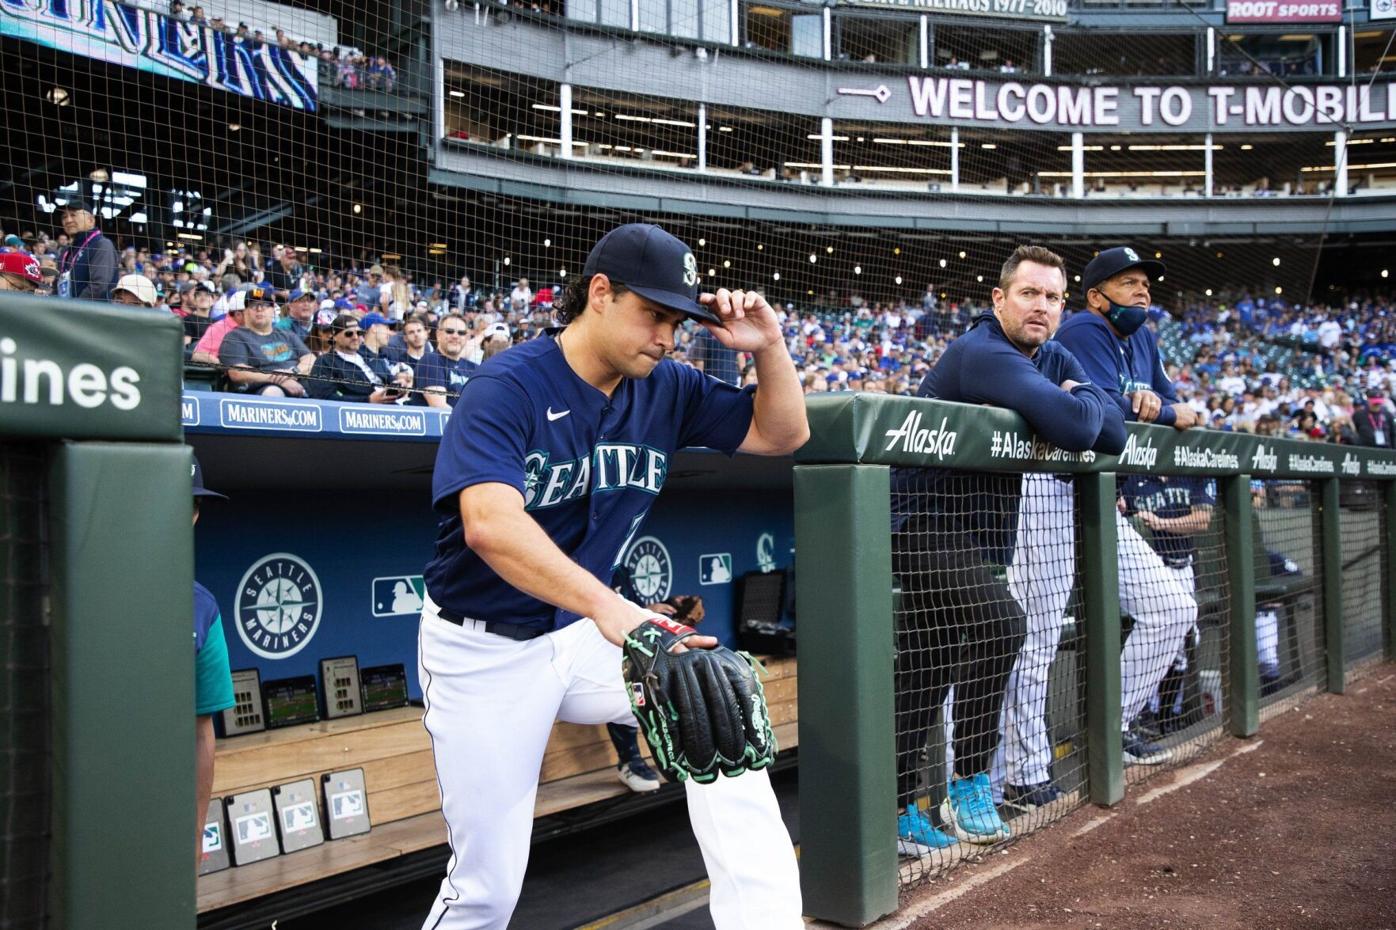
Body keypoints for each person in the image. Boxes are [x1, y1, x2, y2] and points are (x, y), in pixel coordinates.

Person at [416, 222, 807, 929]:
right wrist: (614, 610)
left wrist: (770, 348)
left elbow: (781, 434)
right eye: (653, 314)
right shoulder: (509, 384)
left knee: (718, 707)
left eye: (678, 320)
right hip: (484, 652)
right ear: (600, 293)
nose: (667, 335)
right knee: (486, 887)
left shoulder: (668, 387)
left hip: (580, 636)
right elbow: (490, 524)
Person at [890, 244, 1126, 854]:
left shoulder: (1051, 353)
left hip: (968, 531)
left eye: (1052, 297)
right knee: (1002, 625)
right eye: (1028, 293)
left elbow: (1116, 430)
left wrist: (1084, 394)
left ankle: (892, 811)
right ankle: (970, 782)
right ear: (999, 299)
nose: (1041, 306)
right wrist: (1082, 396)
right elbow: (1080, 428)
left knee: (927, 665)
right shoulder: (984, 351)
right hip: (915, 521)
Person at [1046, 246, 1200, 766]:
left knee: (1172, 608)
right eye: (1129, 282)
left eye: (1146, 284)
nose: (1143, 291)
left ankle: (1109, 728)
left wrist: (1163, 409)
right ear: (1095, 296)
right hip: (1051, 496)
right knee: (1033, 637)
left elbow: (1182, 409)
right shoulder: (1084, 330)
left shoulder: (1143, 338)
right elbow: (1106, 413)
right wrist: (1157, 412)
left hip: (1100, 501)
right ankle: (1002, 775)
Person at [1119, 474, 1215, 734]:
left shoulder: (1188, 469)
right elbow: (1122, 511)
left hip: (1183, 567)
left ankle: (1167, 715)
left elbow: (1202, 520)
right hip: (1149, 566)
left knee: (1184, 641)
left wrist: (1161, 522)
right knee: (1154, 636)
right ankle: (1143, 716)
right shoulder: (1135, 473)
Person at [191, 456, 234, 864]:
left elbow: (202, 731)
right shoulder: (92, 588)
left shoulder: (203, 607)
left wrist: (196, 827)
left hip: (163, 798)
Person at [219, 287, 315, 396]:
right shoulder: (235, 337)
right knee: (273, 392)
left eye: (265, 305)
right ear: (245, 311)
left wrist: (293, 372)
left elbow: (310, 359)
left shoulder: (287, 334)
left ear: (273, 310)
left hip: (297, 382)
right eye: (253, 305)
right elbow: (237, 372)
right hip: (259, 389)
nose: (259, 309)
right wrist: (278, 379)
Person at [307, 314, 413, 403]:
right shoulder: (325, 362)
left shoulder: (371, 356)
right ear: (334, 336)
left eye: (359, 333)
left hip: (391, 408)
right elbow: (324, 398)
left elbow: (391, 381)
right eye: (349, 334)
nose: (355, 337)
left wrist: (399, 385)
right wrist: (368, 400)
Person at [55, 197, 118, 301]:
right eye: (64, 217)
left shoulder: (102, 245)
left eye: (73, 215)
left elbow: (98, 286)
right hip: (65, 312)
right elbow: (57, 285)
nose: (68, 220)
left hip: (90, 314)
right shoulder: (66, 251)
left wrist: (72, 309)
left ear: (91, 220)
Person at [415, 312, 477, 408]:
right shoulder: (430, 361)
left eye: (461, 333)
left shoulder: (473, 368)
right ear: (438, 334)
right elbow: (440, 408)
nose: (455, 336)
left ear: (466, 337)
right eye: (449, 331)